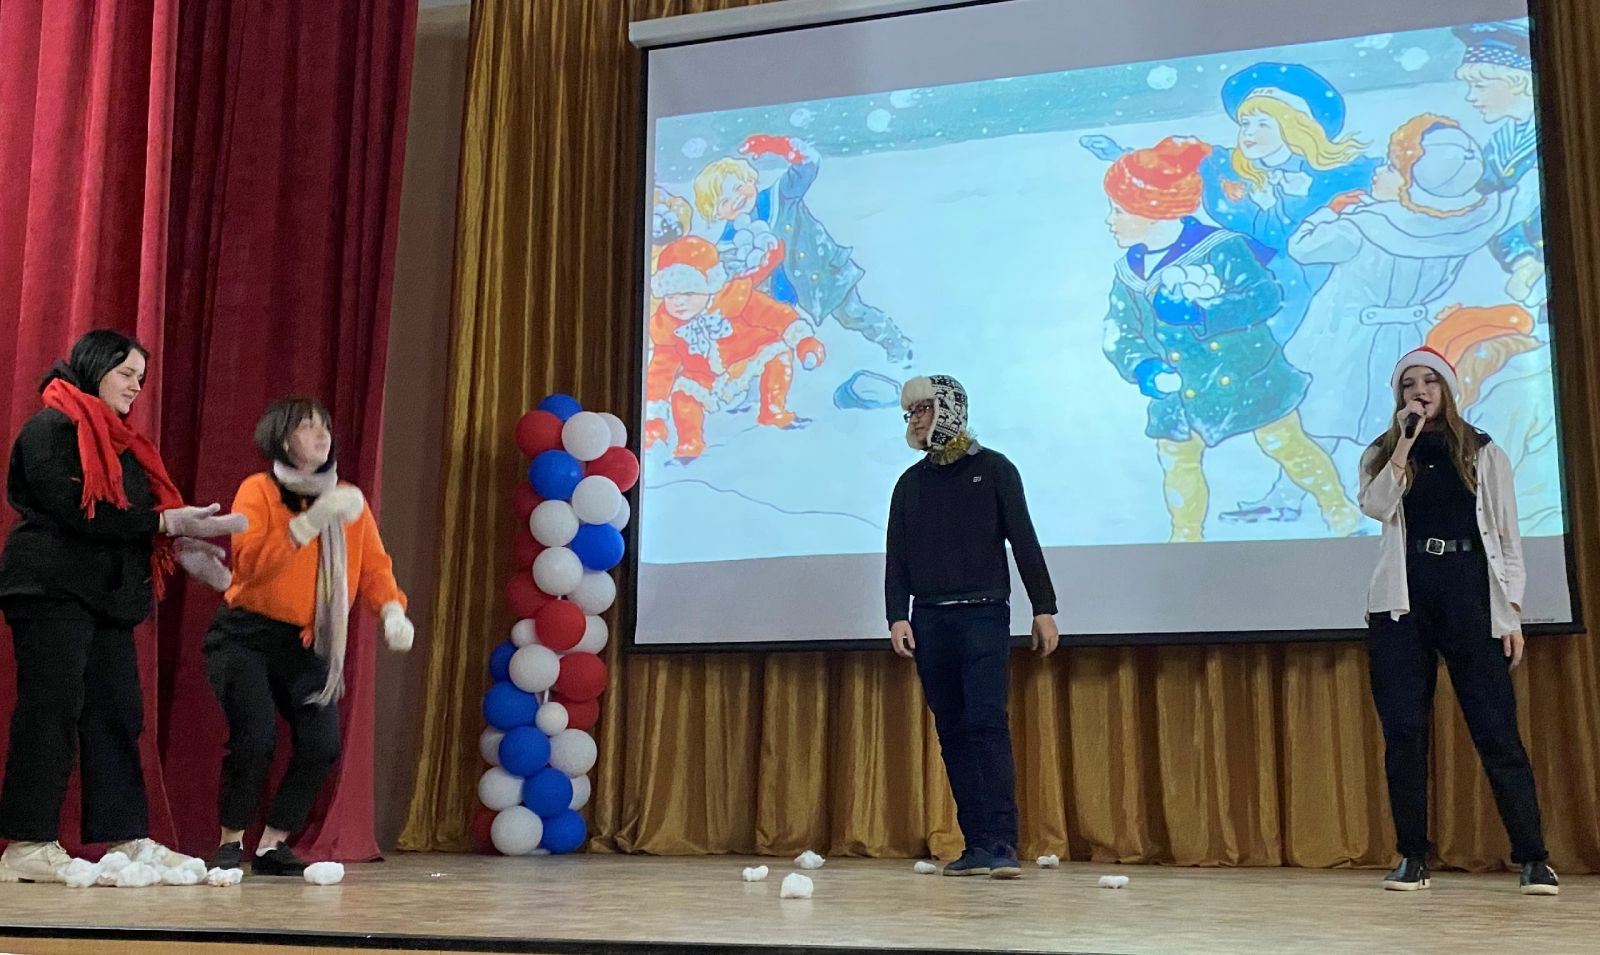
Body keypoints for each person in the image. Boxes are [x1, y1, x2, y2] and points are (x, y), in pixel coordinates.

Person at [0, 330, 245, 883]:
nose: (137, 386)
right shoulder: (51, 428)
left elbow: (136, 522)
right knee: (52, 709)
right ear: (94, 368)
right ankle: (27, 844)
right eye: (126, 373)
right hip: (50, 589)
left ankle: (127, 838)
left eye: (141, 377)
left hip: (106, 597)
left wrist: (180, 543)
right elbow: (78, 508)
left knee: (117, 712)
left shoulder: (125, 446)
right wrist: (162, 522)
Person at [1357, 346, 1557, 895]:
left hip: (1470, 597)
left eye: (1430, 382)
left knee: (1496, 732)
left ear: (1447, 389)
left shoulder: (1483, 451)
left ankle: (1534, 858)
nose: (1419, 392)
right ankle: (1412, 856)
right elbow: (1375, 506)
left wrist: (1511, 612)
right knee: (1404, 732)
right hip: (1401, 604)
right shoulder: (1382, 452)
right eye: (1408, 384)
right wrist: (1403, 445)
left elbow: (1508, 538)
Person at [1097, 137, 1359, 542]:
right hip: (1178, 391)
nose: (1110, 220)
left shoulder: (1220, 248)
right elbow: (1120, 331)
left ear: (1153, 209)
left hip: (1246, 377)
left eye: (1119, 210)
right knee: (1176, 458)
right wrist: (1144, 367)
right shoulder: (1128, 273)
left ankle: (1338, 507)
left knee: (1286, 443)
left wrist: (1202, 315)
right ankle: (1185, 537)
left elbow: (1264, 297)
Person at [204, 398, 413, 876]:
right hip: (246, 634)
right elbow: (250, 565)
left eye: (326, 428)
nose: (322, 437)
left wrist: (392, 611)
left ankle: (272, 844)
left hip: (306, 641)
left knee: (322, 744)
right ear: (282, 438)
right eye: (308, 428)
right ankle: (231, 842)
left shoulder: (348, 499)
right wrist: (311, 522)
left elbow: (374, 568)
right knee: (255, 739)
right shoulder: (258, 490)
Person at [885, 374, 1058, 879]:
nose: (915, 421)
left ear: (950, 409)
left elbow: (1023, 539)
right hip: (930, 619)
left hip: (984, 614)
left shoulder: (995, 469)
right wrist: (897, 614)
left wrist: (1043, 607)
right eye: (911, 413)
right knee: (953, 731)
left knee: (985, 724)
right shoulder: (910, 484)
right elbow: (897, 556)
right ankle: (977, 844)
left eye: (923, 409)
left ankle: (1002, 844)